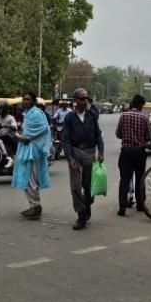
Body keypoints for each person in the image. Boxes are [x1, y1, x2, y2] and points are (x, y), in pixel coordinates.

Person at [62, 88, 104, 230]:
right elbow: (65, 139)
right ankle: (81, 215)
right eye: (81, 98)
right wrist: (69, 157)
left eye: (86, 98)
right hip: (75, 152)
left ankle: (87, 204)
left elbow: (98, 135)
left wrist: (101, 151)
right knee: (75, 186)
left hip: (90, 152)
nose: (84, 101)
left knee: (88, 185)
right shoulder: (69, 118)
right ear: (75, 101)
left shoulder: (92, 116)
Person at [11, 91, 51, 220]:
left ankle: (36, 207)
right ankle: (34, 205)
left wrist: (23, 137)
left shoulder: (37, 113)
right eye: (24, 99)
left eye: (28, 99)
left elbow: (44, 128)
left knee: (31, 180)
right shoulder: (27, 114)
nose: (25, 101)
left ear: (33, 101)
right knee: (26, 179)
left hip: (33, 152)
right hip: (26, 150)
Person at [115, 94, 150, 216]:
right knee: (140, 179)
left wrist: (127, 137)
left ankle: (122, 206)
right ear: (140, 105)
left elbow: (118, 134)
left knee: (124, 179)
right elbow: (148, 138)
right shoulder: (144, 118)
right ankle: (140, 205)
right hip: (140, 152)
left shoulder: (123, 116)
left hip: (126, 151)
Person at [0, 101, 18, 168]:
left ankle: (7, 157)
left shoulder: (10, 118)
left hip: (9, 137)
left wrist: (7, 125)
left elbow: (15, 127)